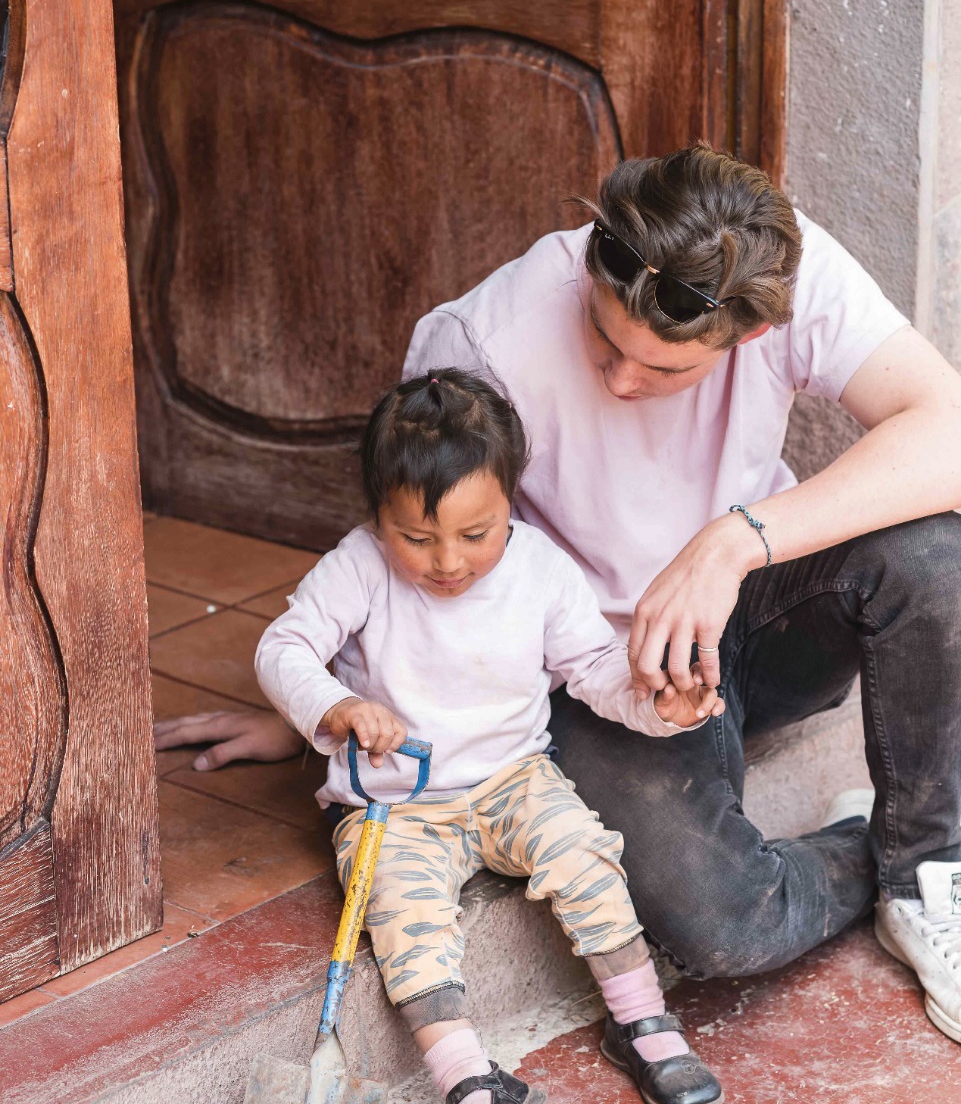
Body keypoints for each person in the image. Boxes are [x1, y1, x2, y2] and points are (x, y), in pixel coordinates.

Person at [156, 145, 961, 1046]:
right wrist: (331, 701)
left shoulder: (787, 273)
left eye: (663, 370)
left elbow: (950, 432)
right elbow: (417, 537)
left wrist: (732, 542)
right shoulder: (480, 339)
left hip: (757, 615)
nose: (620, 380)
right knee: (727, 929)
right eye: (603, 339)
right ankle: (869, 850)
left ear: (750, 335)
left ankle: (930, 875)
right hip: (598, 674)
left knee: (934, 550)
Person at [254, 369, 725, 1104]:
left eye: (477, 534)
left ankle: (639, 1020)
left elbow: (591, 668)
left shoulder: (538, 567)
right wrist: (337, 705)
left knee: (582, 853)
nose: (447, 561)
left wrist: (660, 706)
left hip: (513, 779)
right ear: (377, 515)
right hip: (396, 802)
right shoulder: (358, 566)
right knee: (402, 917)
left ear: (511, 502)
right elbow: (282, 648)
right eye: (415, 536)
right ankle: (471, 1083)